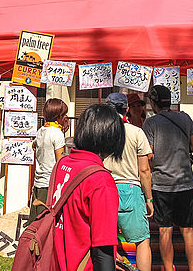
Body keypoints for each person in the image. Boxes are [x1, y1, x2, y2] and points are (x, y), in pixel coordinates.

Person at [51, 103, 125, 271]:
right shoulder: (101, 180)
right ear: (112, 137)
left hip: (55, 261)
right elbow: (102, 249)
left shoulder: (62, 164)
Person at [143, 85, 193, 271]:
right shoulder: (185, 118)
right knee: (188, 230)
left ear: (153, 102)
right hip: (185, 182)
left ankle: (168, 269)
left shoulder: (150, 124)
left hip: (161, 185)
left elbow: (149, 155)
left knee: (164, 230)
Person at [103, 93, 153, 271]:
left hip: (103, 188)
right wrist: (149, 199)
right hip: (130, 190)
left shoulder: (100, 132)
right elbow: (145, 170)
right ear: (126, 109)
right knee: (142, 241)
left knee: (106, 241)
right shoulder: (136, 132)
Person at [28, 98, 68, 223]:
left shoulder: (41, 131)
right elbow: (60, 162)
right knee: (46, 223)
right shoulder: (57, 134)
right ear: (59, 116)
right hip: (50, 184)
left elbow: (34, 145)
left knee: (35, 222)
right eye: (64, 114)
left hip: (38, 183)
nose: (66, 117)